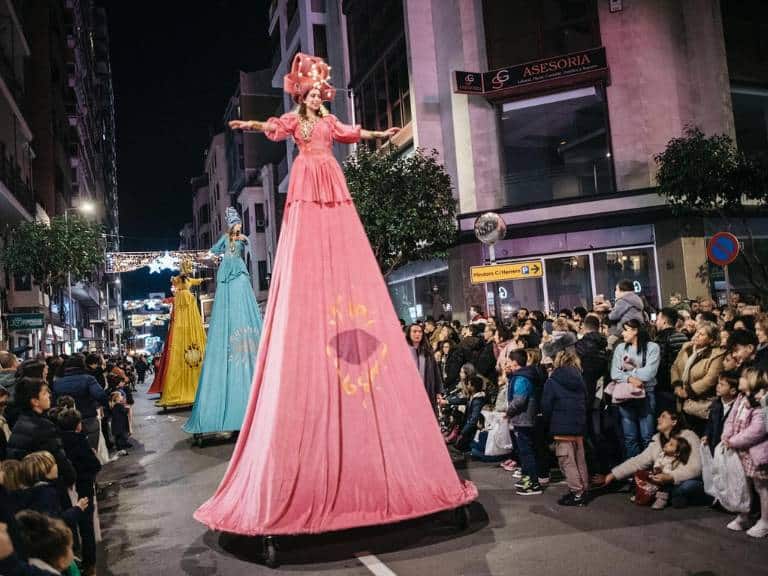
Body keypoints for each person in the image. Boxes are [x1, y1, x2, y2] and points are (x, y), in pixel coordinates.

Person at [194, 53, 476, 536]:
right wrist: (246, 123)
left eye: (317, 92)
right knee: (305, 214)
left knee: (338, 208)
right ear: (300, 93)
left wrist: (379, 135)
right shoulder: (297, 123)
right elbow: (273, 127)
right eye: (308, 91)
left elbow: (350, 133)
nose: (314, 96)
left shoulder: (327, 121)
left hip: (331, 176)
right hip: (308, 177)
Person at [184, 207, 264, 438]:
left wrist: (245, 241)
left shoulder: (243, 240)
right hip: (227, 276)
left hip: (237, 275)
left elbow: (250, 247)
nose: (238, 228)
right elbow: (211, 252)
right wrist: (204, 257)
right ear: (231, 226)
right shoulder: (224, 240)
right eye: (235, 225)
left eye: (239, 224)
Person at [594, 411, 703, 508]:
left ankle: (670, 496)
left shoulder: (689, 436)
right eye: (659, 416)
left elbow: (696, 469)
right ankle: (667, 496)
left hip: (687, 480)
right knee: (644, 477)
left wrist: (671, 477)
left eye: (663, 416)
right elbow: (639, 461)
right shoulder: (657, 440)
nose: (658, 419)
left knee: (685, 487)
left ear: (674, 422)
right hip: (666, 482)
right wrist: (612, 475)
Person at [6, 378, 76, 492]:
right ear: (35, 401)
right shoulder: (43, 426)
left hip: (29, 486)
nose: (49, 395)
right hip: (47, 485)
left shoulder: (20, 422)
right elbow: (58, 457)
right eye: (44, 393)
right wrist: (70, 477)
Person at [721, 368, 768, 538]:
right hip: (739, 451)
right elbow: (731, 419)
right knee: (742, 484)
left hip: (754, 452)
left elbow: (758, 429)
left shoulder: (761, 401)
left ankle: (765, 521)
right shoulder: (740, 398)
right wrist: (726, 435)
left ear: (752, 380)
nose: (739, 379)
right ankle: (743, 515)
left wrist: (733, 440)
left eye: (743, 377)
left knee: (761, 487)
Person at [156, 259, 208, 408]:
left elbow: (197, 281)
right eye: (186, 267)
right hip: (182, 304)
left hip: (189, 305)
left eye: (188, 267)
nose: (187, 269)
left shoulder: (189, 280)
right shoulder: (178, 280)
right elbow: (174, 283)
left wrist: (205, 279)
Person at [541, 350, 589, 506]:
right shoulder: (580, 379)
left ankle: (577, 493)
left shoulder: (553, 380)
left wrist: (549, 423)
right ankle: (583, 489)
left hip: (561, 427)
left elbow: (546, 405)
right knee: (579, 460)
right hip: (579, 425)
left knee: (567, 461)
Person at [611, 319, 660, 458]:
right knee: (630, 438)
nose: (623, 333)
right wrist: (631, 379)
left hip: (646, 394)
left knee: (647, 436)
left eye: (626, 329)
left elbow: (649, 373)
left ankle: (649, 471)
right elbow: (614, 373)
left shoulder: (652, 347)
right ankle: (635, 472)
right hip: (625, 396)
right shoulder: (620, 348)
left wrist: (627, 374)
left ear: (635, 330)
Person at [671, 322, 724, 436]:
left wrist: (688, 391)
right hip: (681, 400)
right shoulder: (686, 347)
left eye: (701, 334)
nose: (696, 336)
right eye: (697, 332)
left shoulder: (716, 354)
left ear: (711, 339)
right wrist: (677, 385)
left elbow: (710, 379)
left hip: (700, 403)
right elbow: (675, 367)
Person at [505, 350, 542, 495]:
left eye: (509, 361)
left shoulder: (521, 378)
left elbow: (519, 400)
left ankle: (533, 483)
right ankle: (528, 479)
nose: (507, 364)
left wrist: (509, 413)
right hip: (525, 419)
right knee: (525, 450)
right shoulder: (524, 376)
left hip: (523, 419)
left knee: (526, 452)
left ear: (515, 363)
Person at [52, 354, 109, 450]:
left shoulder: (58, 382)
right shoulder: (88, 379)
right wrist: (105, 405)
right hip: (88, 417)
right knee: (91, 449)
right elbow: (100, 395)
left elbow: (54, 402)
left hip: (67, 421)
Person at [654, 307, 689, 415]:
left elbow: (660, 363)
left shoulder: (660, 339)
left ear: (664, 321)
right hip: (682, 383)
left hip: (665, 386)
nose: (656, 323)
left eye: (658, 319)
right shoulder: (683, 337)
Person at [644, 436, 692, 510]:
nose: (666, 444)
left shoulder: (676, 462)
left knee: (665, 488)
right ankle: (644, 494)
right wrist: (656, 468)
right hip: (658, 476)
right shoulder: (662, 455)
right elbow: (657, 462)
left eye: (671, 444)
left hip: (668, 482)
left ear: (677, 453)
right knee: (648, 479)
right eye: (668, 442)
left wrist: (663, 474)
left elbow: (672, 475)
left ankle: (662, 499)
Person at [405, 324, 443, 408]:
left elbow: (436, 372)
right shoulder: (404, 352)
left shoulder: (427, 352)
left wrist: (439, 391)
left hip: (427, 389)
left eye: (420, 332)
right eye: (414, 331)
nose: (417, 334)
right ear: (408, 333)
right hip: (409, 391)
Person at [702, 370, 739, 455]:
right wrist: (706, 435)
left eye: (722, 384)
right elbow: (710, 423)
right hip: (714, 447)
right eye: (718, 383)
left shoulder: (737, 408)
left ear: (733, 391)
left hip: (728, 449)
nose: (717, 386)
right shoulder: (716, 404)